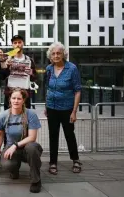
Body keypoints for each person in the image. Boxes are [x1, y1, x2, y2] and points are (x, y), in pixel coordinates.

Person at [0, 88, 43, 193]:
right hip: (11, 148)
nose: (16, 101)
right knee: (7, 165)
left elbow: (32, 137)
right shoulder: (3, 115)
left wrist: (15, 145)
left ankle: (36, 180)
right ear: (10, 100)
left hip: (26, 147)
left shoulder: (31, 114)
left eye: (19, 99)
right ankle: (14, 169)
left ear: (23, 100)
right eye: (14, 98)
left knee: (32, 148)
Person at [44, 42, 82, 175]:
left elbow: (77, 91)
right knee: (53, 136)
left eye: (58, 53)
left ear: (63, 54)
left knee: (69, 135)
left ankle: (76, 160)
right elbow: (47, 88)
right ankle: (53, 162)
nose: (56, 56)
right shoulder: (49, 69)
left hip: (67, 108)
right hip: (51, 107)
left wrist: (74, 111)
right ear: (50, 55)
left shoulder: (72, 68)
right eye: (53, 53)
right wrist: (45, 105)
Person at [3, 35, 37, 110]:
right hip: (10, 93)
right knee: (9, 117)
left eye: (19, 42)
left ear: (23, 44)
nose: (17, 44)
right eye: (15, 43)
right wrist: (7, 67)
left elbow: (34, 78)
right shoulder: (7, 58)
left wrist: (31, 73)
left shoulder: (29, 60)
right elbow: (2, 76)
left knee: (25, 117)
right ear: (12, 45)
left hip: (24, 94)